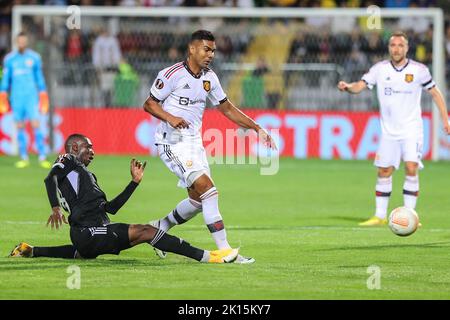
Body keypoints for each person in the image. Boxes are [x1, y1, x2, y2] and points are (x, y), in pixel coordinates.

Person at [143, 30, 277, 264]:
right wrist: (170, 118)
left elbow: (226, 108)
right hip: (171, 142)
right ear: (192, 49)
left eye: (213, 50)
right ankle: (226, 252)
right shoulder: (171, 74)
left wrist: (256, 127)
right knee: (209, 190)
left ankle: (158, 228)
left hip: (194, 143)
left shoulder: (209, 78)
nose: (211, 54)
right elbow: (149, 103)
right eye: (207, 49)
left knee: (197, 200)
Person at [10, 133, 239, 264]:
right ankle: (209, 257)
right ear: (75, 147)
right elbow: (50, 179)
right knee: (146, 231)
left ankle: (33, 250)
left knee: (85, 252)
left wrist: (134, 183)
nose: (93, 152)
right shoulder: (67, 160)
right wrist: (55, 208)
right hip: (86, 231)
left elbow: (111, 208)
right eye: (89, 148)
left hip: (91, 232)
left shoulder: (88, 176)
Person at [337, 31, 450, 226]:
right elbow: (360, 86)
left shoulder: (418, 70)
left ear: (407, 48)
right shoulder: (379, 69)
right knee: (384, 171)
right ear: (389, 48)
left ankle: (411, 215)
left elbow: (435, 93)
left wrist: (445, 119)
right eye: (393, 45)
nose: (396, 49)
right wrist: (347, 87)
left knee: (411, 167)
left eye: (400, 45)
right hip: (389, 131)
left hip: (412, 129)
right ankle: (379, 216)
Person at [0, 32, 51, 169]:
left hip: (31, 96)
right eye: (20, 41)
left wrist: (43, 93)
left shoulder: (34, 58)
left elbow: (39, 77)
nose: (22, 43)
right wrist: (3, 93)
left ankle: (42, 156)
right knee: (20, 126)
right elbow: (6, 78)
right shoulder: (10, 59)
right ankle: (24, 157)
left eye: (24, 41)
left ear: (26, 42)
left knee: (35, 124)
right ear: (17, 42)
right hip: (16, 97)